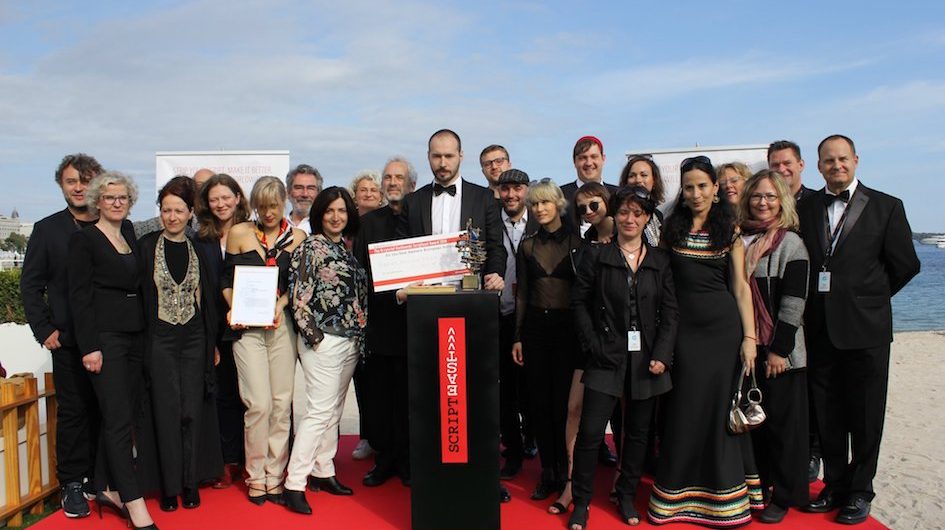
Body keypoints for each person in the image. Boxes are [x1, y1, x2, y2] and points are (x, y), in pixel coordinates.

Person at [798, 135, 920, 524]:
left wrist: (870, 298)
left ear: (855, 160)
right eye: (828, 160)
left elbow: (906, 264)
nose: (836, 165)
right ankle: (835, 485)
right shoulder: (805, 208)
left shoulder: (886, 206)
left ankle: (861, 491)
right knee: (828, 414)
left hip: (867, 330)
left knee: (866, 415)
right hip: (819, 328)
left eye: (842, 159)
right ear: (819, 166)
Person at [647, 155, 762, 527]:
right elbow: (661, 283)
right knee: (684, 410)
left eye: (702, 186)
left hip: (723, 333)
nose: (695, 193)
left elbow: (740, 288)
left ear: (715, 189)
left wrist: (749, 338)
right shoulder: (671, 229)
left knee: (717, 413)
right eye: (689, 187)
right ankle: (676, 496)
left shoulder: (730, 230)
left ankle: (723, 498)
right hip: (683, 333)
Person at [395, 129, 509, 502]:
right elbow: (403, 252)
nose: (442, 163)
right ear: (428, 157)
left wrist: (495, 274)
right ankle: (431, 473)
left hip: (472, 310)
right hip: (426, 312)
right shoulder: (413, 202)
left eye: (448, 156)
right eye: (436, 156)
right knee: (430, 396)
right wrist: (402, 284)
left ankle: (484, 475)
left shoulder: (483, 197)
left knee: (476, 396)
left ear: (460, 156)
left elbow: (496, 247)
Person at [569, 186, 679, 529]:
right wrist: (593, 345)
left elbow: (670, 312)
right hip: (606, 355)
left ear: (647, 218)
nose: (630, 219)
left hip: (647, 359)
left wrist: (662, 354)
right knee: (590, 433)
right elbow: (579, 304)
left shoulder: (660, 260)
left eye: (637, 213)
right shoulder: (596, 256)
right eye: (624, 212)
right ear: (615, 215)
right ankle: (581, 501)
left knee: (638, 434)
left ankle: (627, 495)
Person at [67, 171, 157, 530]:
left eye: (123, 197)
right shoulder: (84, 239)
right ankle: (134, 502)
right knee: (118, 420)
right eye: (110, 197)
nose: (117, 203)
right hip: (105, 341)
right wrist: (90, 347)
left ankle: (105, 486)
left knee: (123, 416)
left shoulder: (130, 231)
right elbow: (79, 297)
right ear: (97, 202)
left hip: (135, 336)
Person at [20, 153, 104, 518]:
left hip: (109, 338)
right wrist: (45, 330)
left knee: (107, 410)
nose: (79, 187)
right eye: (72, 181)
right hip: (67, 341)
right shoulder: (47, 229)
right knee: (73, 412)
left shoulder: (113, 224)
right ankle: (71, 482)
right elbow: (30, 286)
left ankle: (99, 477)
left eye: (86, 180)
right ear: (61, 186)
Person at [139, 177, 224, 511]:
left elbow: (206, 300)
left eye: (178, 210)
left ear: (190, 213)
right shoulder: (147, 246)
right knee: (165, 411)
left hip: (194, 338)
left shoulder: (199, 248)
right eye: (166, 210)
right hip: (159, 338)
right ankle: (168, 485)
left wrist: (211, 344)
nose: (172, 217)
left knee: (192, 411)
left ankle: (190, 483)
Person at [281, 187, 367, 515]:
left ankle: (323, 469)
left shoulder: (345, 247)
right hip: (324, 341)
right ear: (320, 213)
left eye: (342, 210)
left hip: (350, 340)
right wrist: (316, 338)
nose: (336, 216)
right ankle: (294, 483)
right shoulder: (310, 246)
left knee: (333, 411)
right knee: (318, 413)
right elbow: (298, 297)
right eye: (330, 210)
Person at [222, 176, 306, 505]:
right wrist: (235, 307)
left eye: (274, 206)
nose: (268, 213)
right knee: (258, 404)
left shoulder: (297, 238)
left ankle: (276, 474)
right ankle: (255, 474)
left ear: (284, 202)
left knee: (281, 403)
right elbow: (226, 280)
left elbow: (298, 285)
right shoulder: (240, 233)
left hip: (281, 326)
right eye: (262, 207)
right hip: (247, 329)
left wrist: (279, 306)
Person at [737, 170, 811, 523]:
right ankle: (759, 487)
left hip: (783, 353)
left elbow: (794, 303)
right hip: (747, 349)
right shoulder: (739, 240)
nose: (763, 202)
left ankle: (784, 495)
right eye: (756, 196)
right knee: (754, 427)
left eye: (770, 196)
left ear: (782, 200)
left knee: (784, 427)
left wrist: (779, 350)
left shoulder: (791, 244)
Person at [511, 179, 583, 506]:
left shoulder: (577, 242)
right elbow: (523, 294)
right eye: (535, 204)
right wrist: (517, 336)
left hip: (568, 330)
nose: (539, 209)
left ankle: (567, 473)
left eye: (545, 202)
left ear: (558, 204)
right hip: (536, 330)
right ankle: (548, 471)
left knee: (564, 405)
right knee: (539, 403)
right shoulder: (526, 246)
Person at [354, 156, 417, 487]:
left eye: (399, 177)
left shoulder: (422, 219)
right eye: (388, 178)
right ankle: (385, 460)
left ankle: (407, 461)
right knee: (381, 399)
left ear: (412, 185)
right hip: (380, 324)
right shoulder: (369, 223)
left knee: (409, 399)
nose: (393, 182)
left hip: (415, 327)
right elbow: (362, 274)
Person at [194, 173, 251, 489]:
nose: (220, 204)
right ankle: (228, 460)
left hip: (252, 326)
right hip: (215, 328)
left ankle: (255, 459)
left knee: (254, 396)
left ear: (238, 198)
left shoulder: (254, 232)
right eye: (214, 199)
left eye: (226, 197)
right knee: (224, 395)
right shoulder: (200, 240)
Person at [494, 168, 538, 480]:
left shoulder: (539, 219)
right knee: (505, 390)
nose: (511, 195)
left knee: (532, 386)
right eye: (506, 189)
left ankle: (532, 437)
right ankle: (512, 450)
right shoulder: (489, 221)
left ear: (527, 191)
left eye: (517, 189)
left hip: (532, 317)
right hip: (499, 314)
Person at [561, 136, 618, 236]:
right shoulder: (560, 195)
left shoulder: (618, 195)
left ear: (603, 159)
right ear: (574, 162)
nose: (588, 163)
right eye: (583, 158)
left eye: (594, 157)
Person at [620, 155, 667, 246]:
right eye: (632, 176)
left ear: (654, 181)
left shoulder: (657, 215)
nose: (638, 180)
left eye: (643, 175)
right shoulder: (618, 216)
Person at [285, 164, 323, 234]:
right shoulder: (278, 226)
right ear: (288, 192)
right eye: (299, 188)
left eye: (310, 188)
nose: (305, 194)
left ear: (319, 193)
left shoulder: (325, 227)